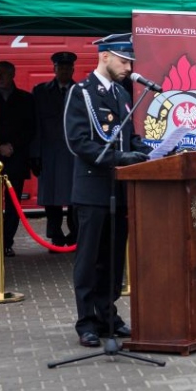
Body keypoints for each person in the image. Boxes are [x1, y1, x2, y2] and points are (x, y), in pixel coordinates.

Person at [63, 33, 151, 348]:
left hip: (120, 189)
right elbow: (77, 141)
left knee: (113, 260)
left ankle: (107, 317)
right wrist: (118, 158)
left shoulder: (121, 93)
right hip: (93, 189)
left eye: (130, 62)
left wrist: (152, 150)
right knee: (89, 260)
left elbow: (129, 136)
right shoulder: (82, 93)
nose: (129, 68)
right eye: (124, 61)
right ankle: (86, 322)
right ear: (105, 56)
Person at [31, 51, 79, 249]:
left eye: (68, 68)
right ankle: (55, 236)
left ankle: (75, 234)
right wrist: (35, 155)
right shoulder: (40, 91)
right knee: (52, 199)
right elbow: (34, 124)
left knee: (76, 197)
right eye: (61, 67)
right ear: (54, 69)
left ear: (73, 70)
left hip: (74, 153)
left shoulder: (81, 90)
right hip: (49, 152)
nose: (64, 71)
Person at [0, 60, 36, 258]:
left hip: (16, 157)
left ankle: (6, 242)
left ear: (13, 75)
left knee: (13, 204)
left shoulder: (26, 99)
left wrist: (12, 146)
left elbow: (31, 128)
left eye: (3, 73)